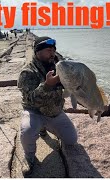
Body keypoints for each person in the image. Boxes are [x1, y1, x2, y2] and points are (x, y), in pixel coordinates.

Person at [17, 36, 78, 176]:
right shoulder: (27, 72)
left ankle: (44, 128)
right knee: (27, 132)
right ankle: (29, 157)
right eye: (49, 50)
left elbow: (70, 85)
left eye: (54, 50)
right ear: (38, 52)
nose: (53, 53)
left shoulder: (59, 66)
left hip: (54, 112)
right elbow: (30, 100)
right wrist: (47, 85)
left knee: (71, 140)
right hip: (34, 112)